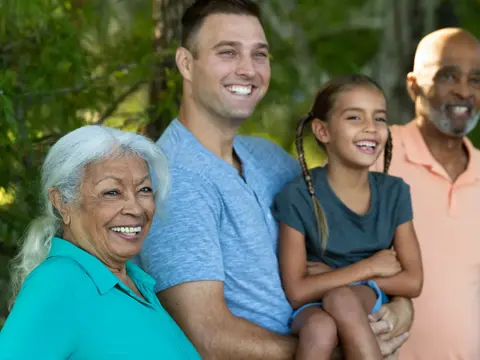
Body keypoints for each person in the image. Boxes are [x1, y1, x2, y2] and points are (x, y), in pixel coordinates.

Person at [138, 1, 414, 359]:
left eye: (259, 54)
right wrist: (341, 349)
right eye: (228, 52)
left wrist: (401, 305)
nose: (248, 69)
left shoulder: (270, 160)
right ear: (186, 63)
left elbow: (363, 245)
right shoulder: (173, 178)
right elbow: (208, 336)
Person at [0, 126, 201, 360]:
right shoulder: (59, 283)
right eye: (112, 192)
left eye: (144, 190)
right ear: (62, 202)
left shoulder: (136, 282)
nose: (136, 208)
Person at [272, 74, 423, 360]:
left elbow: (413, 281)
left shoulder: (394, 193)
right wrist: (367, 269)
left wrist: (339, 280)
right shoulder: (297, 196)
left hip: (367, 301)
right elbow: (296, 291)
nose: (371, 128)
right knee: (318, 328)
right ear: (323, 131)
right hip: (311, 306)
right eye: (355, 117)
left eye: (379, 118)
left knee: (341, 298)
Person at [371, 28, 480, 360]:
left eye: (476, 79)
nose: (464, 90)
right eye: (448, 75)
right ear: (413, 84)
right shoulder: (374, 154)